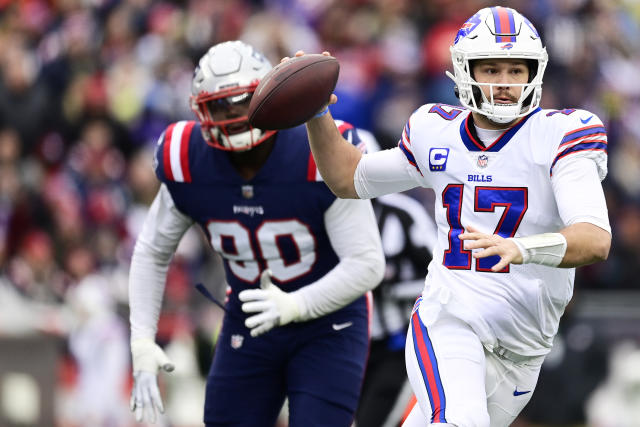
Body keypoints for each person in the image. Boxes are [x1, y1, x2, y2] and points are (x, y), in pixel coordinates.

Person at [298, 6, 612, 427]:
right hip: (450, 318)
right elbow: (349, 177)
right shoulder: (435, 130)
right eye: (491, 69)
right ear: (465, 71)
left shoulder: (562, 135)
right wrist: (316, 114)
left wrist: (521, 248)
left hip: (523, 349)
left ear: (535, 73)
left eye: (516, 70)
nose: (504, 84)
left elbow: (595, 239)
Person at [128, 40, 385, 427]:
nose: (233, 115)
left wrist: (296, 305)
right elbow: (152, 251)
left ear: (268, 97)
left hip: (330, 322)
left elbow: (367, 265)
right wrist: (142, 340)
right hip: (250, 317)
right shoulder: (187, 158)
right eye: (221, 104)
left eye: (244, 101)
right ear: (201, 109)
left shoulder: (318, 150)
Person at [355, 131, 437, 427]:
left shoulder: (402, 216)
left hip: (395, 346)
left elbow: (442, 275)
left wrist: (392, 288)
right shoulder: (314, 217)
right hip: (339, 344)